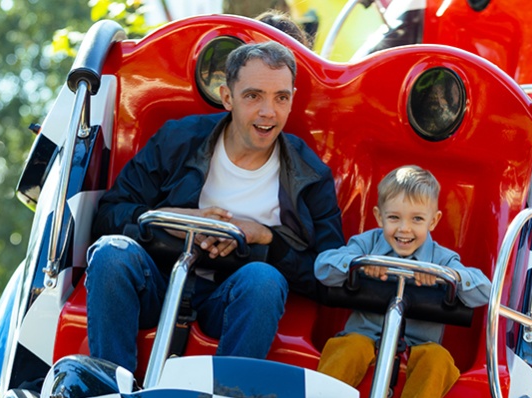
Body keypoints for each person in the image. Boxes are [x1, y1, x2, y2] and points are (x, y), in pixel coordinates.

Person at [87, 41, 344, 373]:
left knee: (263, 279)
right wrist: (169, 220)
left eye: (281, 97)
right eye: (253, 96)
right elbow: (108, 215)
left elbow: (330, 275)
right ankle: (108, 391)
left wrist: (266, 239)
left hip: (228, 301)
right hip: (157, 282)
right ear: (227, 97)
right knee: (111, 252)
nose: (268, 112)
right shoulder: (177, 140)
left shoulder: (310, 174)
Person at [315, 165, 490, 398]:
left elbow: (484, 291)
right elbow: (323, 268)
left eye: (417, 219)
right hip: (365, 339)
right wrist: (359, 265)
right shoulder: (368, 244)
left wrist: (447, 277)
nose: (404, 229)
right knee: (350, 347)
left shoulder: (442, 259)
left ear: (434, 220)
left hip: (417, 348)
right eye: (394, 217)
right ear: (379, 216)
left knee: (438, 359)